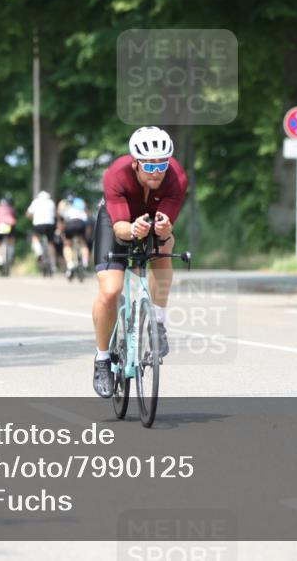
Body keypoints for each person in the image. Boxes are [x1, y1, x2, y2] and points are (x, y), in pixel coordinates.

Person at [91, 126, 188, 398]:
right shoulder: (116, 174)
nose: (156, 171)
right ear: (135, 162)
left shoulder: (176, 177)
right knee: (110, 290)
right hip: (117, 221)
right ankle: (102, 359)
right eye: (149, 165)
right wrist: (133, 230)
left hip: (152, 219)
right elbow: (120, 228)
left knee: (165, 246)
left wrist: (164, 228)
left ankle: (158, 321)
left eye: (162, 164)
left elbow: (166, 228)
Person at [57, 191, 90, 280]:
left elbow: (60, 217)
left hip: (69, 223)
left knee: (67, 245)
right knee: (83, 243)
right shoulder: (80, 201)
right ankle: (85, 262)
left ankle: (70, 265)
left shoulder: (63, 203)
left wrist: (60, 230)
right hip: (81, 223)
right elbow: (87, 214)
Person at [26, 190, 57, 273]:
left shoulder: (35, 202)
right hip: (50, 224)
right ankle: (53, 264)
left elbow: (28, 214)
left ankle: (39, 252)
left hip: (38, 224)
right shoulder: (51, 202)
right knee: (51, 243)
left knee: (35, 238)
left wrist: (32, 217)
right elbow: (55, 214)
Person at [0, 197, 17, 270]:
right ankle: (10, 254)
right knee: (11, 239)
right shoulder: (11, 209)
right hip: (10, 226)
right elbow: (15, 218)